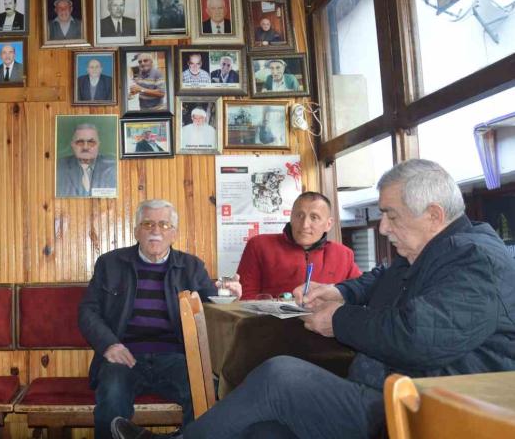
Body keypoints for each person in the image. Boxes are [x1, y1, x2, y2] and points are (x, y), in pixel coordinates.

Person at [110, 159, 515, 439]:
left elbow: (417, 334)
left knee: (280, 375)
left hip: (422, 410)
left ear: (433, 215)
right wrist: (338, 290)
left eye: (391, 215)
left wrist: (336, 320)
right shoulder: (427, 252)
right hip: (386, 389)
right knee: (263, 431)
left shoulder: (476, 259)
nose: (383, 228)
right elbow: (378, 279)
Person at [80, 199, 242, 439]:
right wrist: (109, 345)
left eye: (164, 225)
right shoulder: (110, 264)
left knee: (209, 392)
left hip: (176, 358)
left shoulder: (192, 267)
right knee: (112, 395)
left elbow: (211, 305)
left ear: (174, 233)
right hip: (125, 356)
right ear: (136, 231)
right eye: (148, 224)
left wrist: (229, 295)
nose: (155, 230)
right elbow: (88, 311)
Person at [238, 192, 362, 299]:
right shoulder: (259, 246)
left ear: (328, 224)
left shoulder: (343, 255)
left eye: (314, 217)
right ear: (291, 217)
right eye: (299, 215)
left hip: (325, 319)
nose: (304, 225)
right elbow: (245, 297)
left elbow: (359, 294)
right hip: (269, 319)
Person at [56, 123, 116, 197]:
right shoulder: (58, 167)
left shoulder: (114, 168)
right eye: (80, 142)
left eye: (91, 142)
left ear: (98, 145)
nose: (85, 147)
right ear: (72, 145)